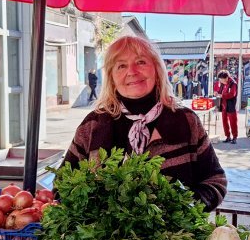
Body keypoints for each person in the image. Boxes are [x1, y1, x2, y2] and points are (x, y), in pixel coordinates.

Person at [64, 36, 227, 211]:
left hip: (175, 237)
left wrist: (184, 211)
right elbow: (63, 185)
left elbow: (215, 180)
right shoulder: (93, 125)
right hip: (104, 238)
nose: (132, 71)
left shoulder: (185, 120)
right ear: (111, 77)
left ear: (157, 69)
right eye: (121, 66)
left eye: (141, 62)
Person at [216, 70, 238, 144]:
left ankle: (234, 137)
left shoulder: (233, 84)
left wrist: (222, 95)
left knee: (233, 122)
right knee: (224, 121)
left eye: (221, 79)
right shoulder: (222, 83)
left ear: (226, 78)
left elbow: (232, 94)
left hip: (231, 105)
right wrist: (217, 93)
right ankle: (228, 136)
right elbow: (220, 91)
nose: (220, 81)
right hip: (224, 105)